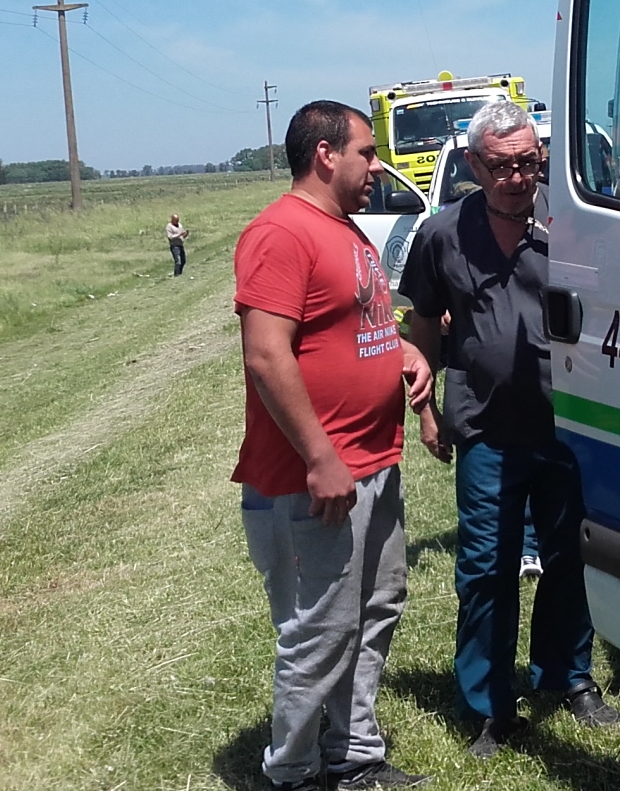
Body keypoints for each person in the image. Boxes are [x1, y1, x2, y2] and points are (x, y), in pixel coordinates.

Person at [399, 98, 620, 759]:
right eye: (501, 166)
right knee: (485, 570)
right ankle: (490, 705)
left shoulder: (573, 224)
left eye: (527, 162)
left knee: (568, 557)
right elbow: (422, 327)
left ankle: (567, 678)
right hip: (486, 429)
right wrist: (428, 410)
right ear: (474, 165)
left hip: (570, 426)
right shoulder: (443, 233)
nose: (517, 177)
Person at [233, 100, 435, 791]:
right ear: (326, 155)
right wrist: (321, 456)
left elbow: (353, 325)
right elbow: (266, 355)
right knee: (318, 629)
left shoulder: (345, 229)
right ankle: (293, 772)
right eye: (368, 152)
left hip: (373, 464)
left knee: (375, 611)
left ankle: (354, 755)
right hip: (316, 477)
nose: (378, 167)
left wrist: (403, 349)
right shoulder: (280, 234)